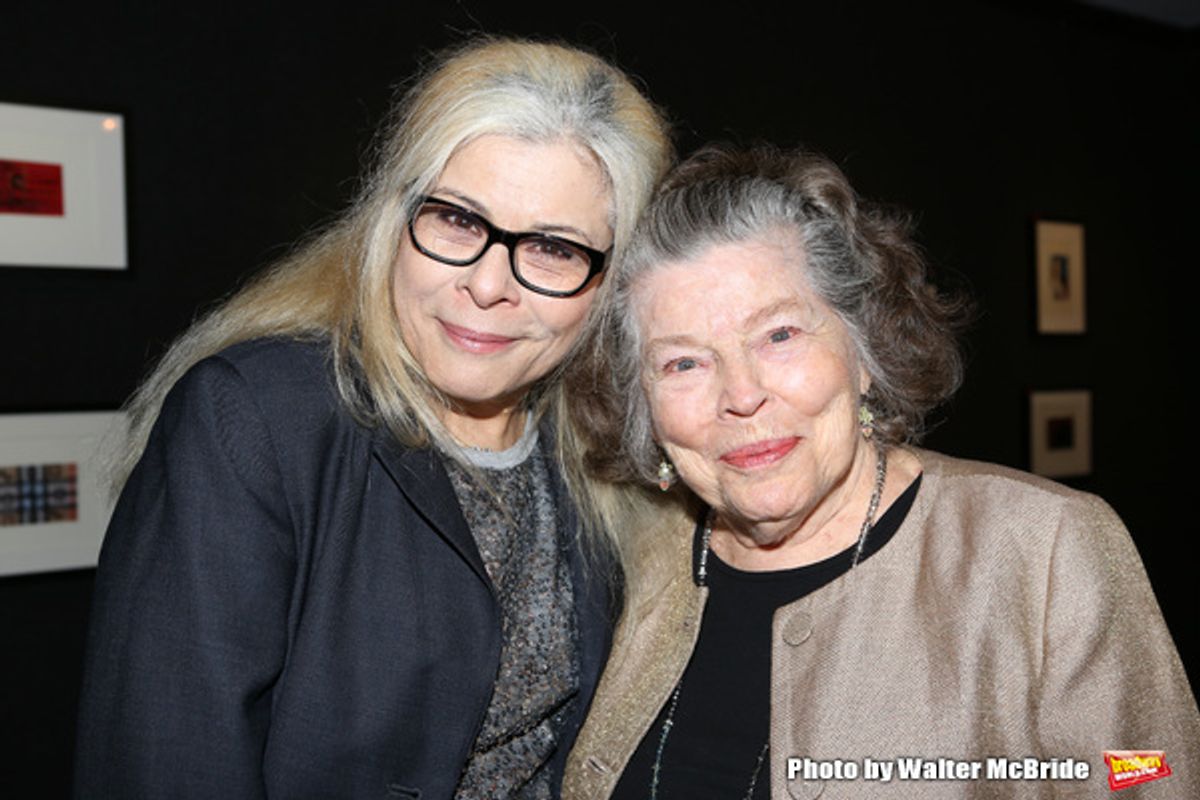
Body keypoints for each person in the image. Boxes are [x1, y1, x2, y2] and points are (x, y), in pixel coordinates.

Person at [73, 38, 672, 799]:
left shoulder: (599, 449)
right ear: (393, 216)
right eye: (458, 219)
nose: (489, 284)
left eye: (554, 248)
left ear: (613, 281)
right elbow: (165, 763)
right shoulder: (253, 420)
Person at [563, 145, 1199, 798]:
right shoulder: (628, 565)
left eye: (780, 336)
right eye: (684, 364)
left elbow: (1147, 774)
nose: (742, 395)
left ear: (864, 351)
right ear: (641, 404)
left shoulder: (1043, 550)